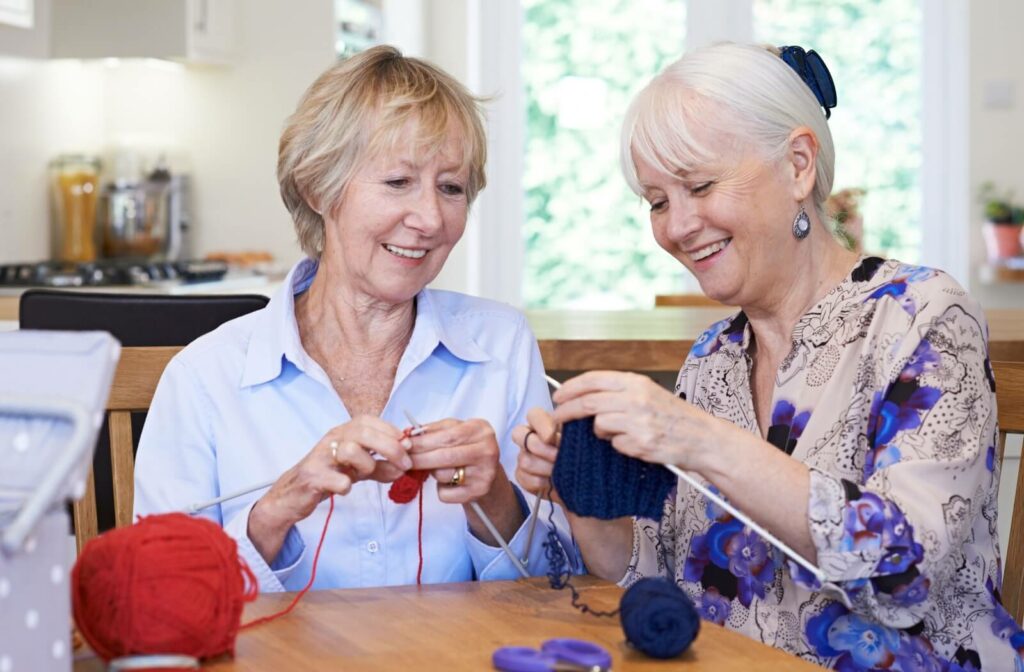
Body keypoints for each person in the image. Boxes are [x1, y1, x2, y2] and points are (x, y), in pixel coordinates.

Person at [514, 42, 1021, 669]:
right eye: (657, 201)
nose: (676, 225)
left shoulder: (921, 315)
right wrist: (581, 494)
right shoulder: (713, 358)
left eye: (700, 185)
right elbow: (658, 584)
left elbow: (903, 577)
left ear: (799, 166)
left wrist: (690, 437)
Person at [134, 45, 572, 591]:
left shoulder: (502, 345)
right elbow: (160, 596)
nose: (430, 218)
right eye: (398, 182)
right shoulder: (205, 376)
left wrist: (496, 499)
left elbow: (559, 587)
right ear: (318, 187)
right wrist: (278, 508)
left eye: (451, 188)